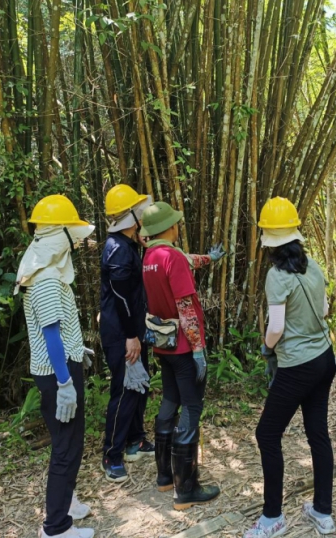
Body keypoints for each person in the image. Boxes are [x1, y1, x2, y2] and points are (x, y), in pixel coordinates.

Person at [244, 197, 336, 538]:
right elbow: (325, 309)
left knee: (266, 434)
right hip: (324, 358)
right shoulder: (312, 266)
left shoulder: (276, 275)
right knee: (317, 434)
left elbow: (276, 328)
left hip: (297, 365)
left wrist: (266, 346)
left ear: (269, 241)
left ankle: (272, 518)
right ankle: (323, 512)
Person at [15, 195, 95, 538]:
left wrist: (78, 349)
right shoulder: (46, 277)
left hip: (56, 366)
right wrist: (66, 382)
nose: (75, 245)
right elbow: (50, 335)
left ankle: (68, 501)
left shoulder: (38, 268)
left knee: (70, 440)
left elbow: (57, 330)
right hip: (56, 373)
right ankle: (56, 527)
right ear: (58, 238)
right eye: (71, 239)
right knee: (67, 446)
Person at [140, 201, 224, 509]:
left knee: (170, 400)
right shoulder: (171, 258)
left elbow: (187, 259)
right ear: (171, 227)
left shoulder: (150, 255)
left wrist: (210, 258)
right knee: (191, 406)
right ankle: (185, 488)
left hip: (163, 343)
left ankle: (165, 476)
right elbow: (186, 307)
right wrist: (199, 349)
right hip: (184, 346)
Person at [99, 184, 154, 482]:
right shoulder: (118, 249)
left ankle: (135, 440)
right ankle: (112, 454)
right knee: (124, 391)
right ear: (129, 215)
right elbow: (120, 299)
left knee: (139, 387)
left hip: (133, 329)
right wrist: (132, 336)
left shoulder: (126, 243)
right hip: (122, 333)